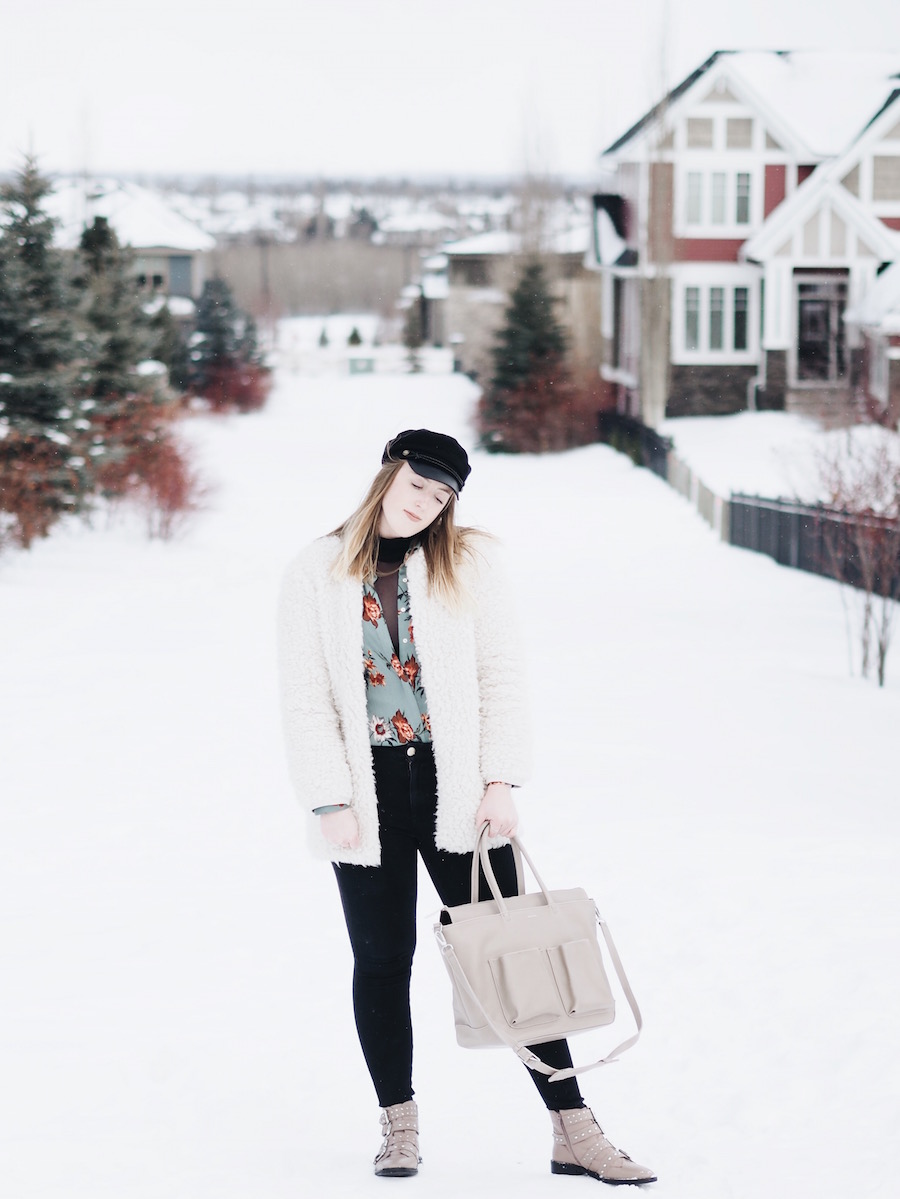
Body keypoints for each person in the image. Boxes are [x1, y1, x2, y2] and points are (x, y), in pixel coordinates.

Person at [278, 428, 655, 1185]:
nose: (426, 505)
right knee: (382, 961)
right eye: (419, 486)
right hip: (367, 790)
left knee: (516, 954)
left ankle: (572, 1128)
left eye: (442, 496)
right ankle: (400, 1127)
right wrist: (329, 799)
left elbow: (502, 675)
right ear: (390, 473)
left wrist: (501, 781)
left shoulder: (468, 562)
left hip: (458, 789)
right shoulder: (314, 569)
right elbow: (306, 696)